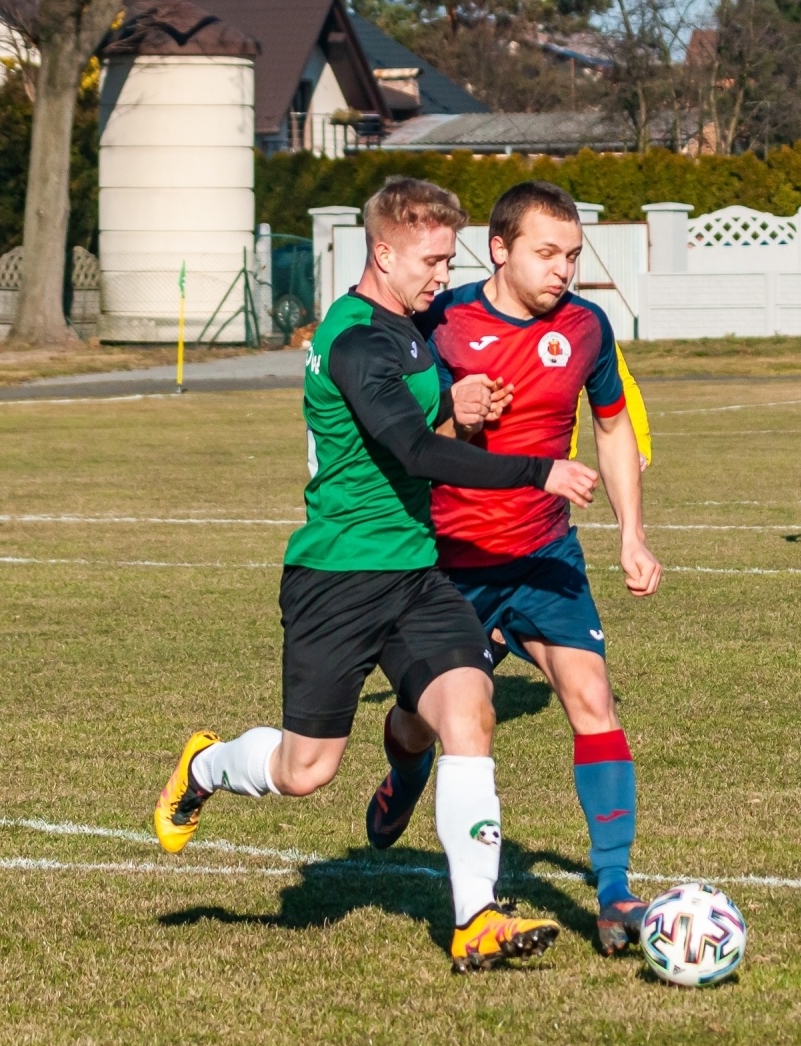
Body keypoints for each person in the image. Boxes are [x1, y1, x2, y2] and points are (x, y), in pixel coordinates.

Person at [152, 177, 602, 973]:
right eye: (430, 260)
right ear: (381, 252)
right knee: (306, 770)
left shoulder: (409, 322)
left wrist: (458, 399)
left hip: (416, 572)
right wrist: (538, 469)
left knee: (471, 710)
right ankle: (206, 765)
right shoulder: (358, 339)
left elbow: (422, 419)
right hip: (337, 578)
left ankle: (477, 919)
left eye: (448, 257)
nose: (442, 275)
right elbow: (415, 453)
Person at [362, 180, 664, 957]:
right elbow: (394, 427)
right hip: (450, 562)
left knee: (592, 696)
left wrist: (632, 532)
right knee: (421, 717)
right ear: (500, 250)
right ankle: (404, 770)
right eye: (546, 253)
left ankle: (613, 891)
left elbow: (612, 426)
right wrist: (451, 410)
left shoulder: (587, 327)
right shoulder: (439, 317)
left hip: (544, 553)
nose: (563, 270)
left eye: (571, 255)